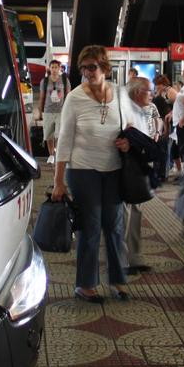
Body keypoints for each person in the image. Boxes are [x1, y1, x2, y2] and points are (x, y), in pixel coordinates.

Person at [51, 45, 131, 303]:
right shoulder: (74, 98)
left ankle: (118, 281)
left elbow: (129, 127)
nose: (87, 73)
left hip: (114, 170)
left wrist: (127, 143)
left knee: (115, 226)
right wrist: (58, 182)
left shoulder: (119, 93)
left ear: (105, 68)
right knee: (91, 226)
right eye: (83, 68)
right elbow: (64, 140)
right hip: (83, 170)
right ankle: (85, 285)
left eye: (92, 67)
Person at [122, 76, 162, 275]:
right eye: (149, 91)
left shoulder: (141, 110)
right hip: (124, 171)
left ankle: (134, 258)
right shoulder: (124, 110)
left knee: (135, 213)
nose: (152, 94)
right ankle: (123, 261)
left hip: (136, 169)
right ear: (137, 92)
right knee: (124, 215)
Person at [36, 60, 71, 164]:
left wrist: (69, 110)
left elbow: (69, 96)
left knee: (59, 134)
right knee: (48, 134)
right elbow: (42, 97)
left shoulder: (65, 80)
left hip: (61, 111)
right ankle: (51, 155)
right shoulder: (45, 81)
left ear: (60, 68)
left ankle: (57, 151)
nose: (54, 69)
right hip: (48, 111)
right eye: (52, 67)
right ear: (49, 68)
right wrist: (39, 112)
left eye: (56, 67)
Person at [152, 74, 175, 181]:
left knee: (166, 148)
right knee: (160, 147)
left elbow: (179, 105)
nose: (156, 86)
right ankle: (158, 172)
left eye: (158, 84)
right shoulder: (160, 93)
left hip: (168, 121)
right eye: (156, 84)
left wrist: (172, 114)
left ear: (163, 84)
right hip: (161, 121)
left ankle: (163, 174)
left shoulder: (170, 91)